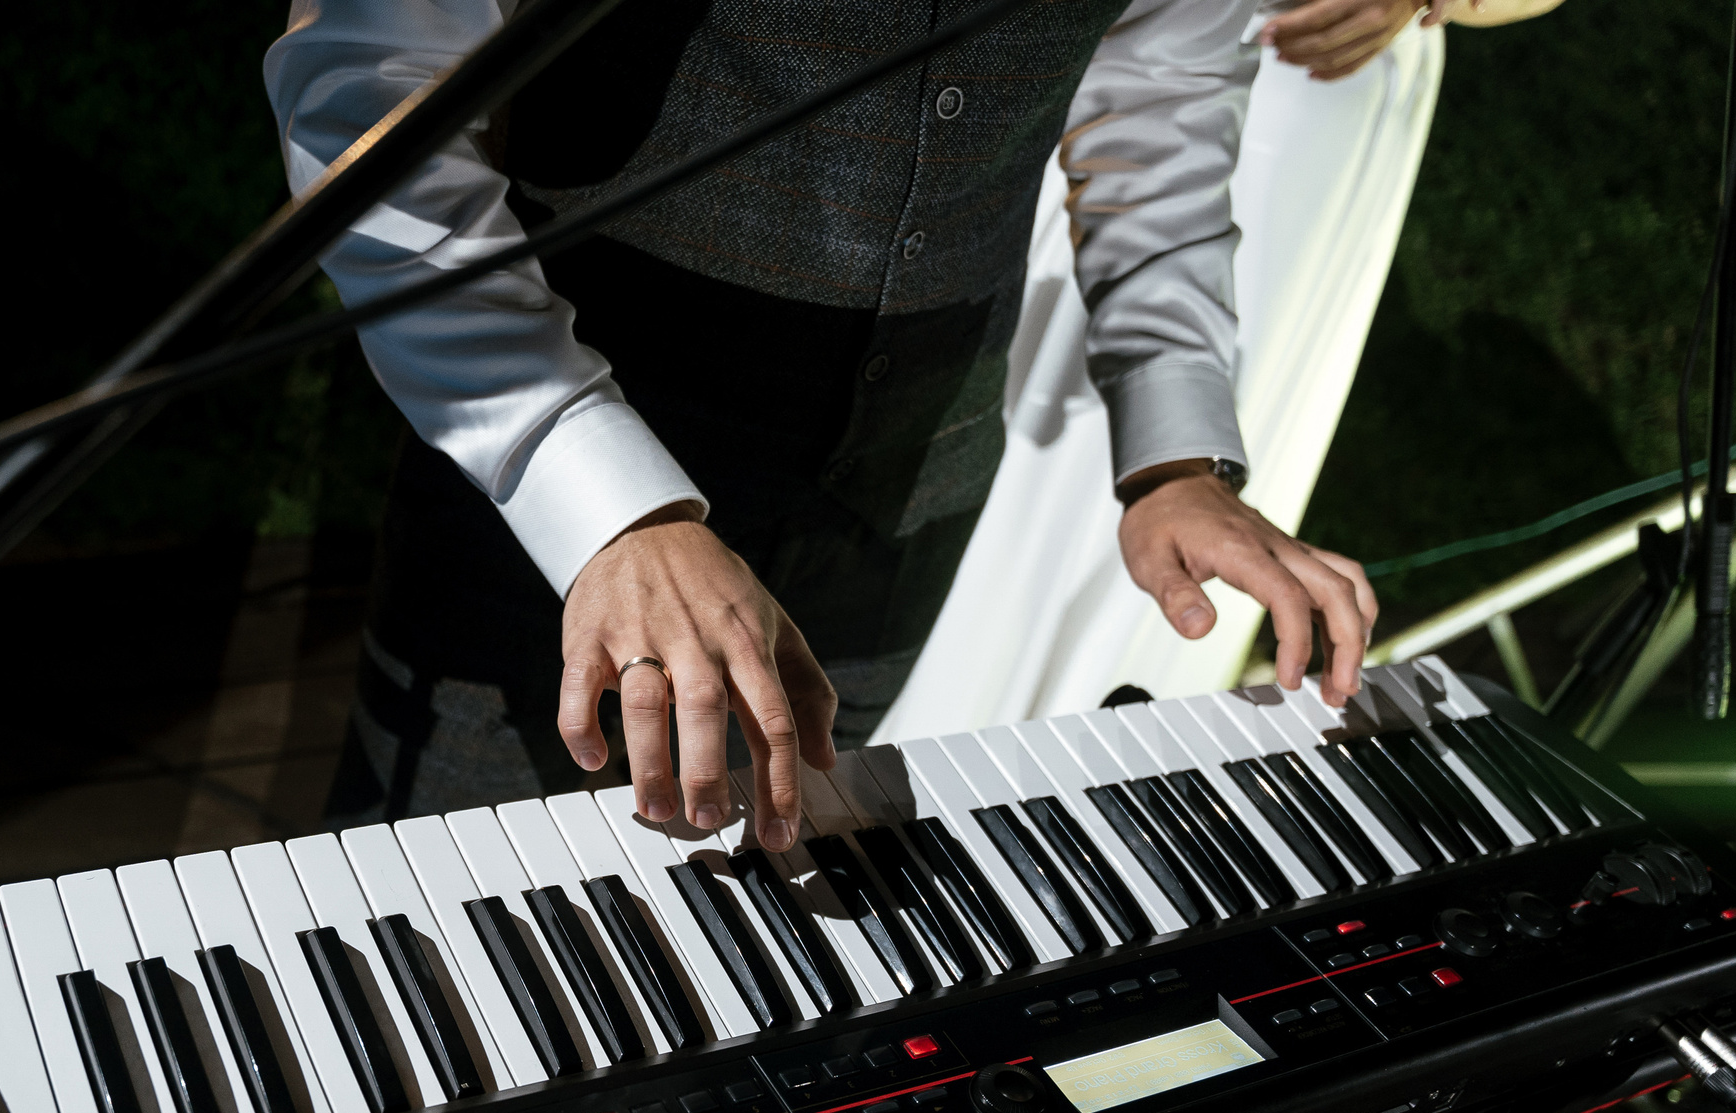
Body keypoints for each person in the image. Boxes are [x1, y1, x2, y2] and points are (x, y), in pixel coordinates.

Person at [266, 0, 1376, 855]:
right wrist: (595, 492)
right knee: (448, 948)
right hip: (556, 490)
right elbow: (362, 94)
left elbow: (1160, 105)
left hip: (905, 488)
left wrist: (1173, 455)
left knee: (753, 938)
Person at [874, 0, 1565, 737]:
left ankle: (1078, 739)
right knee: (1009, 434)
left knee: (1193, 467)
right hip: (1117, 72)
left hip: (1304, 93)